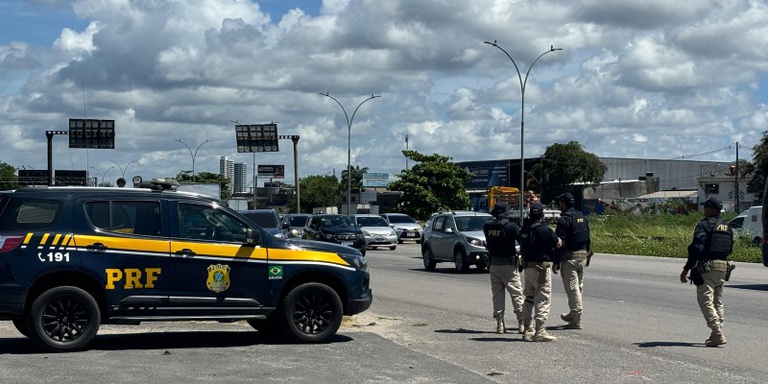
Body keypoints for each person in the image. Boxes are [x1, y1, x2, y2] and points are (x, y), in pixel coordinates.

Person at [680, 197, 734, 347]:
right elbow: (730, 248)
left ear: (711, 209)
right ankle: (716, 333)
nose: (704, 210)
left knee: (705, 300)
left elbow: (697, 248)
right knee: (718, 301)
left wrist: (686, 269)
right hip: (723, 267)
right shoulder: (727, 226)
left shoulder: (704, 225)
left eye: (705, 208)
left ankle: (717, 331)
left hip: (708, 268)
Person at [519, 202, 562, 342]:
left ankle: (527, 329)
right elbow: (558, 243)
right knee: (543, 298)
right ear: (542, 215)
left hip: (527, 267)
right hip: (541, 268)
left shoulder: (524, 229)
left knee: (529, 297)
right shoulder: (544, 230)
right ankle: (540, 331)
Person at [483, 202, 525, 334]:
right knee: (516, 293)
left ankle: (500, 324)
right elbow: (521, 240)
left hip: (494, 264)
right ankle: (521, 323)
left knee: (497, 295)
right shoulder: (512, 226)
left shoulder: (487, 227)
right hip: (508, 264)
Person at [553, 192, 591, 330]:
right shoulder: (582, 217)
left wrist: (556, 261)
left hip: (569, 259)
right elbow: (588, 238)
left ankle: (576, 319)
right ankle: (573, 313)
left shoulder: (564, 220)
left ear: (564, 203)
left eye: (560, 203)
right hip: (582, 256)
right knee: (578, 287)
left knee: (572, 288)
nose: (559, 205)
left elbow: (559, 242)